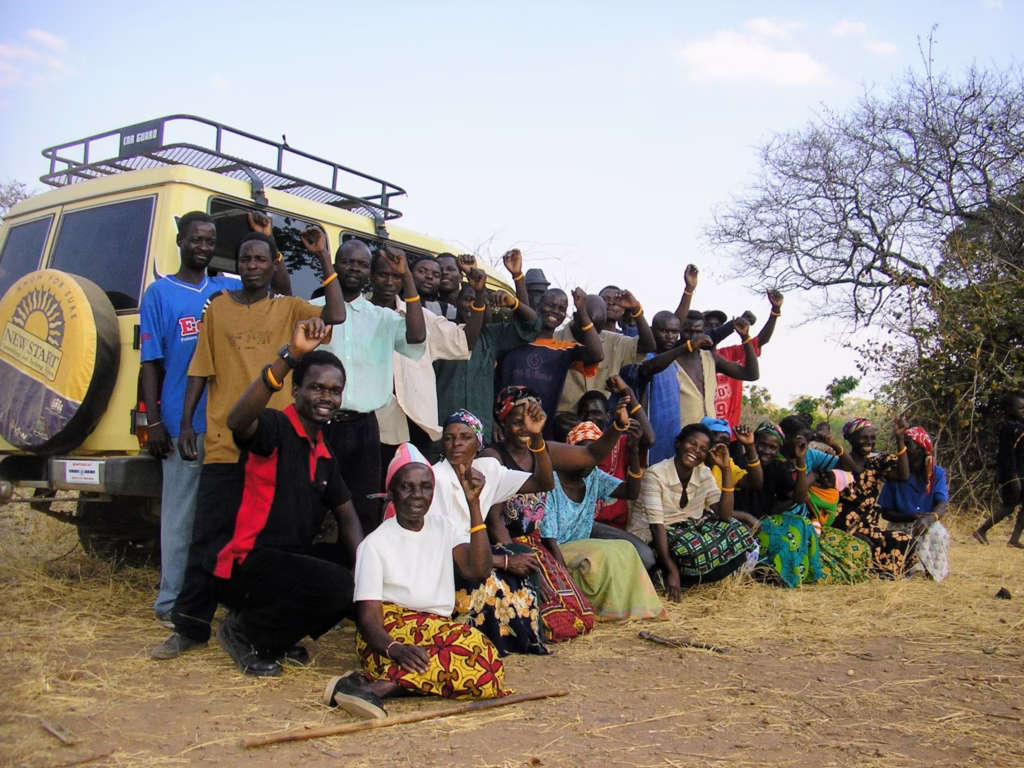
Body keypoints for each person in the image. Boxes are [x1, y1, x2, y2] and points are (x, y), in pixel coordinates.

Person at [154, 319, 362, 676]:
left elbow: (347, 514)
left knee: (349, 579)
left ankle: (271, 639)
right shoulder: (274, 427)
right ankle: (242, 633)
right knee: (337, 585)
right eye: (316, 387)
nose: (326, 397)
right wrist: (291, 355)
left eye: (334, 390)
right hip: (244, 564)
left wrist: (368, 565)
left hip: (283, 565)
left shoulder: (324, 452)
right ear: (295, 390)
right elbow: (237, 420)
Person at [325, 444, 505, 719]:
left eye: (425, 487)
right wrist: (395, 649)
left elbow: (477, 570)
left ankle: (375, 688)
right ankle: (382, 683)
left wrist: (474, 504)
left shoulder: (444, 526)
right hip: (388, 638)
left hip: (437, 635)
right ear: (391, 493)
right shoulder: (374, 545)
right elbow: (369, 619)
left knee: (488, 667)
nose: (417, 495)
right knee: (475, 652)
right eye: (406, 487)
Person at [139, 211, 241, 627]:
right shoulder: (159, 294)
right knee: (179, 520)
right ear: (180, 241)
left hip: (226, 424)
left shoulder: (225, 289)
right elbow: (150, 363)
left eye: (209, 240)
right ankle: (170, 605)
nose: (202, 246)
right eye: (195, 239)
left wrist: (263, 234)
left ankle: (216, 600)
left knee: (222, 522)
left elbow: (276, 283)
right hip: (184, 425)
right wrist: (154, 421)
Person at [482, 386, 643, 641]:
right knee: (545, 622)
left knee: (581, 619)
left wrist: (618, 427)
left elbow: (589, 455)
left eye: (530, 422)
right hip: (502, 546)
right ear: (503, 423)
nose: (524, 428)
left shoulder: (541, 450)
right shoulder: (495, 457)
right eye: (516, 422)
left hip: (533, 544)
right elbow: (493, 521)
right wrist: (518, 560)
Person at [312, 240, 426, 534]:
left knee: (362, 510)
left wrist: (408, 278)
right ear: (335, 265)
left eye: (362, 264)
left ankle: (356, 576)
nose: (354, 268)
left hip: (363, 429)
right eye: (348, 261)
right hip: (317, 426)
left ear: (368, 274)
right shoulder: (310, 309)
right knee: (310, 504)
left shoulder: (383, 318)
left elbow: (416, 336)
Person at [433, 409, 554, 655]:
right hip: (446, 563)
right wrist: (505, 561)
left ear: (478, 443)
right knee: (490, 581)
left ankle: (527, 639)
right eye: (449, 437)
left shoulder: (488, 469)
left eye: (465, 437)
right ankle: (490, 644)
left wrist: (537, 439)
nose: (456, 443)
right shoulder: (435, 478)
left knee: (525, 555)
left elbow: (544, 482)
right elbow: (443, 547)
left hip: (476, 553)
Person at [540, 421, 666, 621]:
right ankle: (594, 605)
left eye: (592, 457)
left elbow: (631, 492)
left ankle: (629, 609)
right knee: (603, 555)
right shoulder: (550, 481)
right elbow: (549, 540)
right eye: (581, 455)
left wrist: (633, 453)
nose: (586, 463)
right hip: (554, 550)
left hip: (580, 545)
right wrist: (565, 586)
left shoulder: (594, 477)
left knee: (626, 549)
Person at [629, 424, 758, 600]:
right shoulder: (656, 474)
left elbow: (725, 515)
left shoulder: (703, 472)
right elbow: (656, 527)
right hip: (652, 535)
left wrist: (726, 468)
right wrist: (672, 571)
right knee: (690, 547)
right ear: (679, 444)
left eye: (703, 449)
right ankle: (670, 572)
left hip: (685, 530)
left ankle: (689, 575)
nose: (696, 451)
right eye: (692, 444)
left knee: (736, 529)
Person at [372, 251, 478, 465]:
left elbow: (463, 342)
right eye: (383, 275)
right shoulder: (356, 314)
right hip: (372, 422)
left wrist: (480, 296)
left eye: (398, 276)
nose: (390, 282)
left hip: (416, 423)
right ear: (371, 276)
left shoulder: (424, 317)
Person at [434, 249, 542, 442]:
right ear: (456, 301)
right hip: (441, 435)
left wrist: (516, 287)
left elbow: (531, 326)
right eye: (469, 299)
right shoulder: (440, 330)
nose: (475, 305)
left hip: (480, 436)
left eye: (480, 301)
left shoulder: (491, 336)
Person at [623, 310, 758, 464]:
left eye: (698, 331)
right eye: (687, 331)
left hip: (707, 445)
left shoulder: (710, 358)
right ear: (680, 331)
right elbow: (646, 370)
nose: (693, 336)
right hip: (676, 443)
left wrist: (746, 338)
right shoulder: (667, 359)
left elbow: (751, 374)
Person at [496, 286, 604, 437]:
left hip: (540, 433)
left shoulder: (564, 350)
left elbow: (597, 355)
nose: (555, 311)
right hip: (502, 431)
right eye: (550, 305)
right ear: (538, 306)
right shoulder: (512, 341)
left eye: (561, 308)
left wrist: (582, 311)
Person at [833, 417, 915, 578]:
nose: (869, 441)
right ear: (849, 438)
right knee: (861, 547)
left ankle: (886, 574)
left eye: (872, 437)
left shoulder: (876, 463)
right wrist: (852, 532)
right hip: (842, 527)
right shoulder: (837, 464)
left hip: (869, 526)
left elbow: (903, 475)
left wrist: (899, 438)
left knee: (903, 539)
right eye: (863, 437)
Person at [577, 376, 656, 536]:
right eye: (584, 413)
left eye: (595, 413)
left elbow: (649, 439)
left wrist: (628, 393)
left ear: (608, 417)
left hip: (614, 525)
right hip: (580, 524)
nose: (589, 418)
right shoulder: (573, 445)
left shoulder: (620, 442)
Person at [555, 289, 655, 412]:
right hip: (558, 422)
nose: (593, 333)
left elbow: (648, 346)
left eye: (597, 328)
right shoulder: (554, 340)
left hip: (597, 424)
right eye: (587, 326)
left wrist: (636, 310)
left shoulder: (613, 341)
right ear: (576, 316)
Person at [879, 427, 951, 581]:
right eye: (902, 445)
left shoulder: (936, 473)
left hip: (927, 522)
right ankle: (916, 573)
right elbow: (885, 512)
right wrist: (911, 516)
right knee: (908, 537)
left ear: (921, 449)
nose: (903, 449)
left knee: (937, 533)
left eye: (908, 445)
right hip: (902, 523)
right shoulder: (895, 474)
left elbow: (942, 504)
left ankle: (929, 574)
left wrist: (929, 519)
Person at [708, 290, 784, 428]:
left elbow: (761, 340)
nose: (715, 329)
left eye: (718, 325)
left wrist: (775, 311)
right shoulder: (691, 356)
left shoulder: (730, 353)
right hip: (704, 431)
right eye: (709, 325)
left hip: (732, 430)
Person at [974, 393, 1024, 547]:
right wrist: (1012, 475)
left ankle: (1014, 539)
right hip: (1012, 474)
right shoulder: (1008, 427)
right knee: (1009, 506)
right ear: (1009, 409)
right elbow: (1006, 454)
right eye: (1020, 408)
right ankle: (981, 530)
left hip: (1021, 473)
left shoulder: (1019, 426)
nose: (1023, 410)